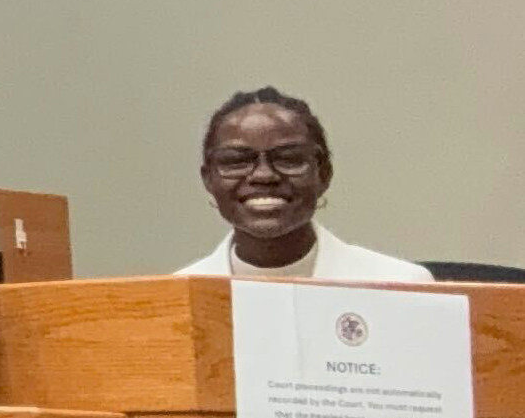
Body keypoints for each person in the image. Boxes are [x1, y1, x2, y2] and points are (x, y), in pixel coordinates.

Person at [175, 87, 431, 283]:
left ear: (324, 173)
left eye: (288, 159)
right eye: (237, 161)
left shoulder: (402, 286)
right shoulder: (172, 298)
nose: (264, 175)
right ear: (208, 179)